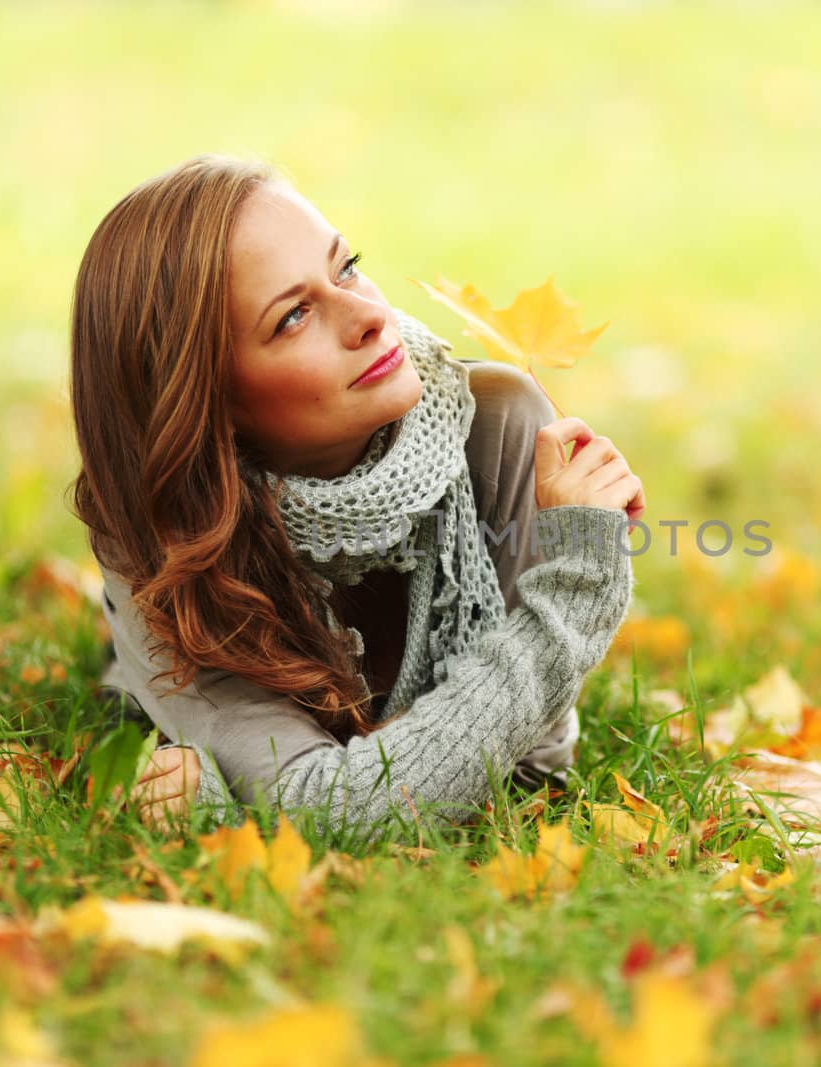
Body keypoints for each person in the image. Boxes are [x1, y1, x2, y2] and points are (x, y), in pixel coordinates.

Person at [69, 155, 645, 839]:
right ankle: (129, 676)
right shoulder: (161, 531)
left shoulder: (499, 426)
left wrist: (262, 797)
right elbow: (339, 817)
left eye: (345, 266)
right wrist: (565, 608)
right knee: (141, 702)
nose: (370, 314)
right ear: (204, 401)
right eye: (292, 317)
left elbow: (530, 773)